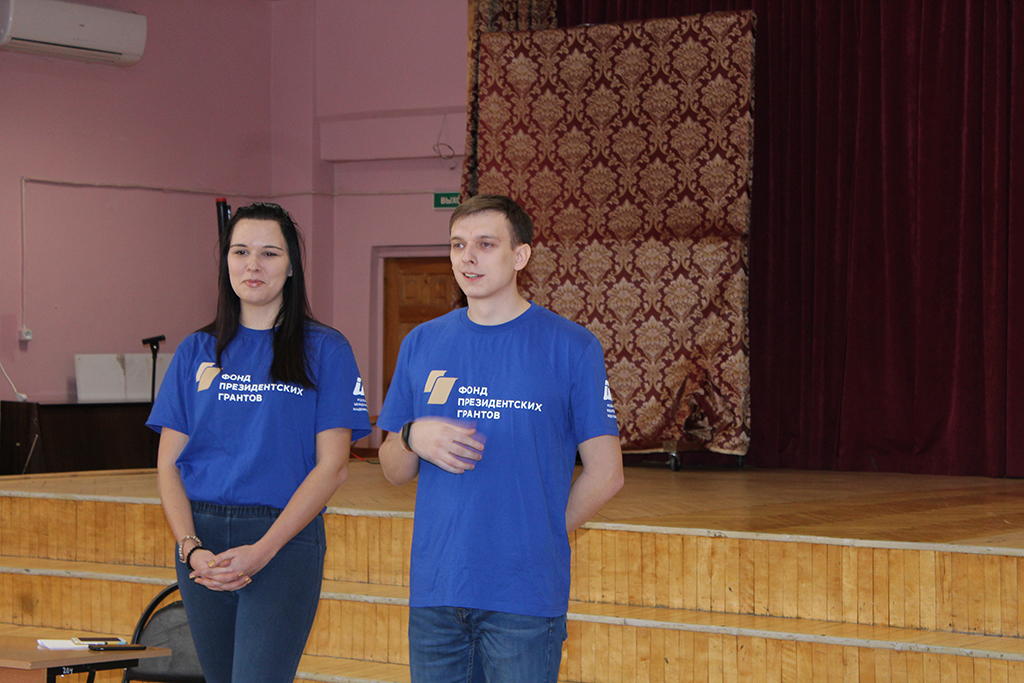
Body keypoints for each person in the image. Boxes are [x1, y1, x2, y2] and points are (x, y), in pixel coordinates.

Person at [377, 194, 625, 683]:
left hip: (523, 597)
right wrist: (410, 436)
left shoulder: (571, 346)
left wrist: (538, 535)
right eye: (458, 245)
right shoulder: (421, 342)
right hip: (437, 591)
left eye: (485, 244)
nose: (467, 258)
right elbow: (392, 470)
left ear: (520, 255)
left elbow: (607, 474)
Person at [147, 202, 371, 683]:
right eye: (241, 251)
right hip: (202, 542)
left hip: (282, 539)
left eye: (269, 253)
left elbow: (333, 466)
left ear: (291, 266)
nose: (253, 265)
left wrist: (264, 550)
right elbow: (168, 465)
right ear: (226, 261)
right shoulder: (195, 351)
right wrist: (190, 548)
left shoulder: (326, 349)